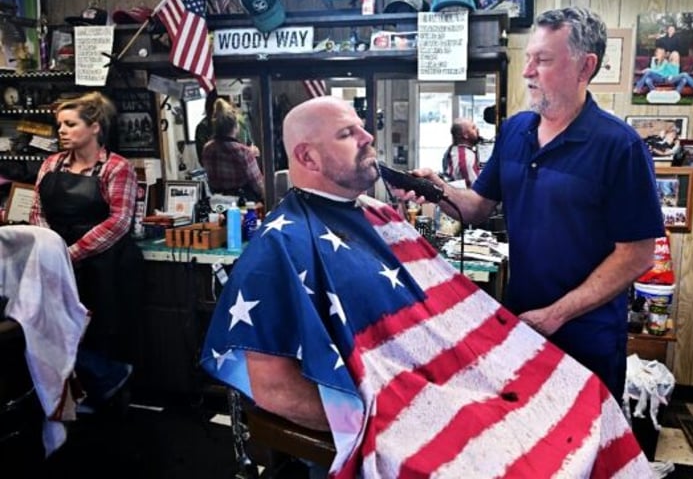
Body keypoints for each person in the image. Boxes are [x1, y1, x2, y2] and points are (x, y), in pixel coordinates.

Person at [200, 96, 652, 478]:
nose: (368, 138)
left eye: (362, 127)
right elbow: (274, 387)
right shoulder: (278, 244)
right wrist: (367, 421)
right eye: (347, 134)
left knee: (587, 398)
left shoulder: (381, 217)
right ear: (307, 158)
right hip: (388, 409)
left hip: (443, 383)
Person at [399, 7, 665, 403]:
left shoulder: (619, 146)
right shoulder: (515, 130)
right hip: (520, 325)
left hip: (586, 338)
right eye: (529, 59)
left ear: (585, 67)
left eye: (543, 60)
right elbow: (477, 207)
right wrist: (438, 191)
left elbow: (639, 254)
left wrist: (555, 315)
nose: (527, 72)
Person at [29, 91, 141, 408]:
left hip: (105, 263)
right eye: (59, 124)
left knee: (102, 329)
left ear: (94, 127)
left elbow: (119, 221)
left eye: (70, 123)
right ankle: (96, 382)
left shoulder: (116, 168)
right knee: (55, 329)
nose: (61, 130)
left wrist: (72, 253)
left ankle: (105, 393)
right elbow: (37, 210)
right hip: (57, 258)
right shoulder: (51, 164)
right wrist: (51, 249)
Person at [202, 98, 265, 204]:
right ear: (235, 126)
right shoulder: (243, 152)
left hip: (218, 204)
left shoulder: (207, 149)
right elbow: (259, 186)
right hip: (242, 205)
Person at [194, 90, 258, 165]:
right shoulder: (239, 120)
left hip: (217, 173)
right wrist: (250, 152)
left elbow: (203, 161)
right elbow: (251, 148)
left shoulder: (202, 128)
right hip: (243, 168)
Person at [441, 118, 481, 187]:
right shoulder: (464, 157)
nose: (477, 130)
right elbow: (476, 188)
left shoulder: (452, 150)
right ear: (465, 135)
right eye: (473, 128)